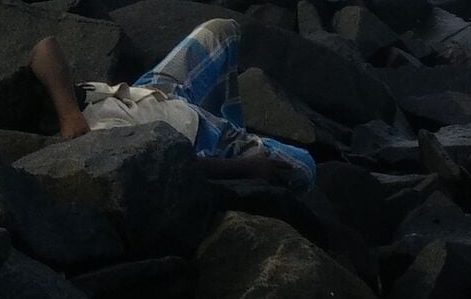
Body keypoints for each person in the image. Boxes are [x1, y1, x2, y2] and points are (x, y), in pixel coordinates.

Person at [28, 21, 315, 189]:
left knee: (222, 30)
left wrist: (69, 115)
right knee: (303, 166)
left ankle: (231, 121)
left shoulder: (67, 106)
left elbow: (45, 47)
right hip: (198, 136)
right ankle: (236, 138)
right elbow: (176, 164)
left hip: (153, 90)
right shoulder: (100, 141)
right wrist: (244, 168)